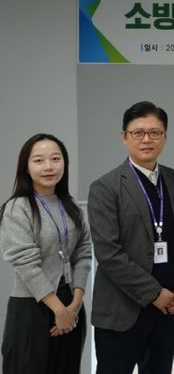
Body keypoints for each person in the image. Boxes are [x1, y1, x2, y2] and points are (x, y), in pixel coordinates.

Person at [87, 101, 174, 374]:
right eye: (138, 133)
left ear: (165, 137)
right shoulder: (105, 187)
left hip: (167, 311)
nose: (147, 139)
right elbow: (109, 254)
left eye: (155, 132)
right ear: (124, 137)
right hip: (121, 312)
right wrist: (154, 293)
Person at [0, 133, 92, 374]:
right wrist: (59, 310)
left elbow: (83, 254)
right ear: (26, 167)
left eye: (55, 159)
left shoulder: (71, 206)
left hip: (71, 307)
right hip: (32, 307)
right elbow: (25, 263)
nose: (49, 166)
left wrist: (74, 305)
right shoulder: (17, 207)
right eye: (39, 160)